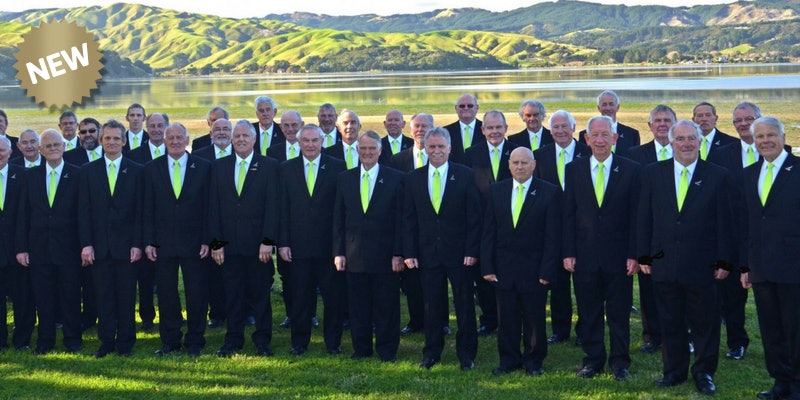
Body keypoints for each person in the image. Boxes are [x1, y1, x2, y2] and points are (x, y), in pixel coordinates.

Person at [637, 119, 734, 395]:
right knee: (670, 321)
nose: (686, 144)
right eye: (680, 139)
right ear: (672, 142)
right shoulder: (653, 173)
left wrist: (725, 260)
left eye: (691, 138)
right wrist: (644, 255)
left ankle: (704, 372)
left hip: (703, 264)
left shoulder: (718, 175)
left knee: (705, 322)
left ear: (700, 141)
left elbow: (726, 223)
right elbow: (644, 217)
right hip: (664, 262)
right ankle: (674, 371)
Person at [563, 116, 641, 380]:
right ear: (586, 139)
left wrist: (634, 254)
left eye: (605, 135)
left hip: (619, 257)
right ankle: (593, 360)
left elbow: (636, 217)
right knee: (589, 312)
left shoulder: (630, 169)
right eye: (594, 135)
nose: (599, 140)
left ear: (614, 138)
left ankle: (620, 362)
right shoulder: (573, 170)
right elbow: (568, 215)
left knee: (618, 313)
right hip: (584, 256)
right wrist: (568, 251)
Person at [403, 126, 481, 371]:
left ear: (450, 148)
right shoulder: (413, 179)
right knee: (432, 305)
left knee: (465, 305)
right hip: (427, 254)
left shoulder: (466, 175)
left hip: (460, 254)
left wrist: (472, 250)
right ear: (425, 148)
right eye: (432, 147)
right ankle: (431, 352)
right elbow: (408, 219)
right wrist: (410, 252)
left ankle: (466, 353)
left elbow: (474, 217)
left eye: (441, 147)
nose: (436, 151)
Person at [482, 146, 561, 377]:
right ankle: (508, 360)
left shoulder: (549, 192)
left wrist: (547, 270)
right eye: (515, 162)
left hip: (534, 269)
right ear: (508, 165)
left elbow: (552, 237)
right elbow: (488, 231)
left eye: (524, 162)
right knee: (506, 318)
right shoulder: (496, 191)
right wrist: (487, 266)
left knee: (534, 318)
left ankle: (534, 361)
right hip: (503, 267)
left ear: (534, 165)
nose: (519, 167)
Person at [740, 116, 800, 400]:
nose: (765, 141)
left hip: (794, 266)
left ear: (783, 136)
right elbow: (746, 224)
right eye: (760, 136)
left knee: (796, 329)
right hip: (761, 267)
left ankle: (798, 385)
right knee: (771, 329)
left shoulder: (798, 169)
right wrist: (745, 265)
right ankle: (780, 381)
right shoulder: (749, 174)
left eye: (770, 135)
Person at [208, 119, 279, 357]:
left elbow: (273, 207)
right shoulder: (219, 167)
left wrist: (268, 240)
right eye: (236, 136)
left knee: (260, 294)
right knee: (233, 294)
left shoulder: (269, 166)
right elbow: (213, 208)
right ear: (231, 139)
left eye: (245, 136)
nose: (240, 140)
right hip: (228, 246)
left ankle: (262, 340)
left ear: (254, 139)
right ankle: (233, 339)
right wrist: (216, 243)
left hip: (258, 245)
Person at [333, 130, 404, 362]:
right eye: (363, 149)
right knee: (358, 306)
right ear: (357, 150)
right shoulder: (345, 178)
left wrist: (398, 254)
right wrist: (339, 252)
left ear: (380, 150)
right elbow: (339, 219)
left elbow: (400, 221)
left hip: (386, 255)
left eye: (372, 148)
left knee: (386, 306)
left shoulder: (395, 178)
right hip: (354, 254)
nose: (367, 153)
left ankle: (387, 350)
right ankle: (361, 348)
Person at [143, 122, 212, 357]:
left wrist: (207, 240)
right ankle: (170, 340)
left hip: (195, 243)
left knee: (197, 292)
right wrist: (149, 241)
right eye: (170, 137)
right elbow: (147, 209)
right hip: (162, 242)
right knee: (166, 292)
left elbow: (209, 208)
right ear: (164, 140)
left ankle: (195, 340)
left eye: (178, 137)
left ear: (187, 139)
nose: (174, 141)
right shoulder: (152, 168)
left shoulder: (203, 166)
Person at [278, 124, 347, 356]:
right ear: (299, 143)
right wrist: (284, 243)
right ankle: (299, 342)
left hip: (328, 247)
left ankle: (333, 343)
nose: (309, 145)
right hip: (297, 248)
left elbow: (341, 211)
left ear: (322, 142)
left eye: (314, 141)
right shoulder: (286, 169)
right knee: (300, 298)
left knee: (333, 299)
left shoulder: (338, 168)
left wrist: (340, 248)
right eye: (305, 141)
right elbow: (282, 210)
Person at [79, 119, 145, 358]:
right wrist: (86, 244)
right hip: (99, 246)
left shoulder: (137, 170)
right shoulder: (87, 172)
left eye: (117, 138)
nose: (112, 142)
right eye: (107, 138)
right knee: (103, 296)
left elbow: (140, 212)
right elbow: (83, 211)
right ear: (100, 141)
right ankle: (106, 341)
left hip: (128, 247)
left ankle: (126, 341)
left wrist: (137, 243)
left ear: (124, 141)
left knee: (126, 296)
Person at [16, 129, 83, 354]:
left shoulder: (77, 174)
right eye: (48, 146)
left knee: (71, 295)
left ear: (64, 147)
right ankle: (45, 341)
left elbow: (83, 214)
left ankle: (73, 340)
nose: (53, 148)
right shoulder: (30, 177)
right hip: (39, 248)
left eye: (57, 144)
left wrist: (84, 245)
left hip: (69, 248)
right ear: (41, 150)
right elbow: (23, 215)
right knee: (43, 297)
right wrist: (22, 248)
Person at [706, 101, 761, 362]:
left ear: (759, 120)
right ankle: (737, 342)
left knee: (771, 294)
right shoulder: (722, 154)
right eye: (738, 120)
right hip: (733, 236)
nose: (743, 124)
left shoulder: (775, 151)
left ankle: (782, 342)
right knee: (732, 295)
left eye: (748, 119)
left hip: (765, 237)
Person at [532, 110, 591, 346]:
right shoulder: (540, 155)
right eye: (555, 127)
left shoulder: (588, 154)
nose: (560, 131)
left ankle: (586, 329)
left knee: (585, 284)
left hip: (583, 227)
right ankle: (560, 329)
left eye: (564, 126)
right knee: (557, 283)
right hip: (552, 228)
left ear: (574, 128)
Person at [625, 104, 676, 355]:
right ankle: (652, 336)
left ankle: (679, 334)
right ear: (650, 126)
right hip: (649, 232)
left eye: (667, 120)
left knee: (681, 287)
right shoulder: (635, 155)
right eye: (658, 120)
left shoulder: (686, 150)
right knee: (648, 287)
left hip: (679, 234)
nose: (663, 124)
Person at [464, 110, 519, 337]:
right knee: (483, 272)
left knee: (512, 272)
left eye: (499, 127)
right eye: (490, 128)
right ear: (482, 130)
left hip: (511, 222)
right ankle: (488, 320)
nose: (494, 132)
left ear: (506, 128)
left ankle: (515, 318)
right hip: (481, 223)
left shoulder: (516, 151)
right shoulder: (470, 154)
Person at [390, 113, 431, 336]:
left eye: (425, 126)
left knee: (434, 280)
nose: (420, 130)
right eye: (417, 126)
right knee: (412, 280)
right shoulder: (398, 160)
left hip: (433, 229)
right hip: (408, 226)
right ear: (411, 129)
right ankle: (416, 320)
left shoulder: (439, 155)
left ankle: (439, 320)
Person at [127, 112, 169, 332]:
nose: (155, 129)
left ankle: (169, 314)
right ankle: (146, 316)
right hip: (143, 221)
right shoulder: (134, 155)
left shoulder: (174, 151)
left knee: (166, 277)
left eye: (160, 125)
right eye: (151, 125)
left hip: (167, 225)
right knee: (144, 276)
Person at [191, 117, 233, 329]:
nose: (222, 132)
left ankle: (243, 311)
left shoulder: (241, 152)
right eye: (218, 129)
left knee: (236, 271)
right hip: (208, 221)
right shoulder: (199, 157)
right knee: (212, 273)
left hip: (235, 224)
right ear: (211, 132)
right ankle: (216, 312)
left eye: (227, 128)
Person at [0, 136, 35, 351]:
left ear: (11, 152)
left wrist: (25, 247)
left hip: (17, 250)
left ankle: (22, 340)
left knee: (23, 299)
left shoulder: (24, 176)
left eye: (2, 150)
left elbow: (30, 214)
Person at [578, 90, 640, 156]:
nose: (608, 108)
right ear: (599, 108)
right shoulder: (586, 134)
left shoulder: (632, 134)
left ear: (617, 107)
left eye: (611, 104)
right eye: (604, 105)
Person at [443, 94, 482, 164]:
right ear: (456, 108)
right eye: (462, 106)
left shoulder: (487, 129)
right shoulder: (446, 131)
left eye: (470, 106)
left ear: (477, 108)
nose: (466, 108)